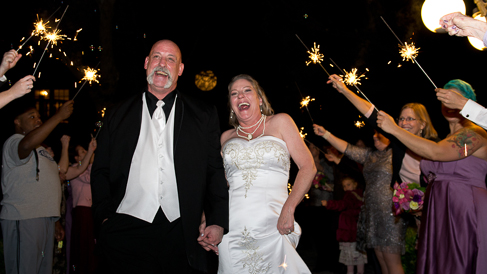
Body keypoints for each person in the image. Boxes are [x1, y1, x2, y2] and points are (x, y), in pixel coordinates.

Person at [90, 39, 229, 274]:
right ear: (146, 63)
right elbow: (101, 170)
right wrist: (104, 220)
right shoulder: (117, 113)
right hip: (125, 226)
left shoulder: (203, 114)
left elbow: (214, 170)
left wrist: (217, 221)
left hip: (181, 230)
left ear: (180, 69)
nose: (162, 64)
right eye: (156, 57)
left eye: (170, 59)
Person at [377, 79, 487, 273]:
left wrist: (394, 129)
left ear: (468, 103)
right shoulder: (445, 138)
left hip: (465, 209)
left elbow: (436, 153)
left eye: (455, 98)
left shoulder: (476, 134)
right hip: (438, 209)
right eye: (446, 98)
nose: (449, 103)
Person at [218, 74, 315, 273]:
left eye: (247, 90)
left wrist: (289, 209)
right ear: (230, 104)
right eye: (234, 94)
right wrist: (210, 220)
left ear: (260, 99)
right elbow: (220, 186)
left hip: (275, 224)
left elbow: (308, 167)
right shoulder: (225, 137)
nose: (240, 96)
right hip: (233, 230)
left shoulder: (280, 122)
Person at [313, 124, 406, 274]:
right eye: (374, 133)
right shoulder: (370, 155)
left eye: (379, 134)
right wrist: (326, 134)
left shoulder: (397, 153)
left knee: (392, 262)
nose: (374, 136)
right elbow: (348, 149)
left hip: (390, 214)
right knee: (382, 261)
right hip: (372, 214)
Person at [1, 100, 74, 274]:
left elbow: (49, 184)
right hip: (25, 216)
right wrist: (58, 117)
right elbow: (25, 145)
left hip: (45, 219)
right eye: (32, 117)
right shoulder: (15, 142)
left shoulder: (42, 150)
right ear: (17, 122)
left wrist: (55, 221)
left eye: (39, 116)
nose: (38, 120)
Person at [59, 136, 97, 273]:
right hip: (82, 211)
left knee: (91, 244)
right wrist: (91, 162)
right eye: (82, 152)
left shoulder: (88, 168)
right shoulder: (75, 169)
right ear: (75, 158)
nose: (86, 153)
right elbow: (90, 179)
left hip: (90, 211)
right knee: (82, 244)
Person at [322, 176, 366, 274]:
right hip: (358, 230)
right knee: (359, 255)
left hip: (349, 230)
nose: (346, 188)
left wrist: (328, 204)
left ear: (355, 184)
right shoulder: (361, 195)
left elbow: (343, 204)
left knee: (350, 256)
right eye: (344, 186)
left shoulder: (350, 196)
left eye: (348, 185)